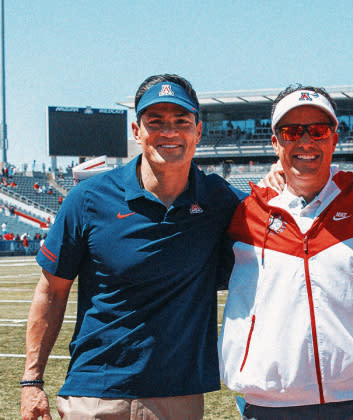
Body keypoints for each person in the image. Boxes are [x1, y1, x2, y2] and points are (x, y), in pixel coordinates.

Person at [21, 74, 241, 420]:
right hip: (95, 395)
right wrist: (31, 381)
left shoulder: (219, 199)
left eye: (181, 122)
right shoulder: (88, 199)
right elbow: (51, 292)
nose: (169, 132)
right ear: (137, 131)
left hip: (178, 396)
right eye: (156, 122)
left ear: (198, 131)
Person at [219, 85, 353, 419]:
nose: (306, 142)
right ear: (275, 142)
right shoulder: (245, 214)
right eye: (292, 131)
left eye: (318, 131)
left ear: (334, 138)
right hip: (272, 406)